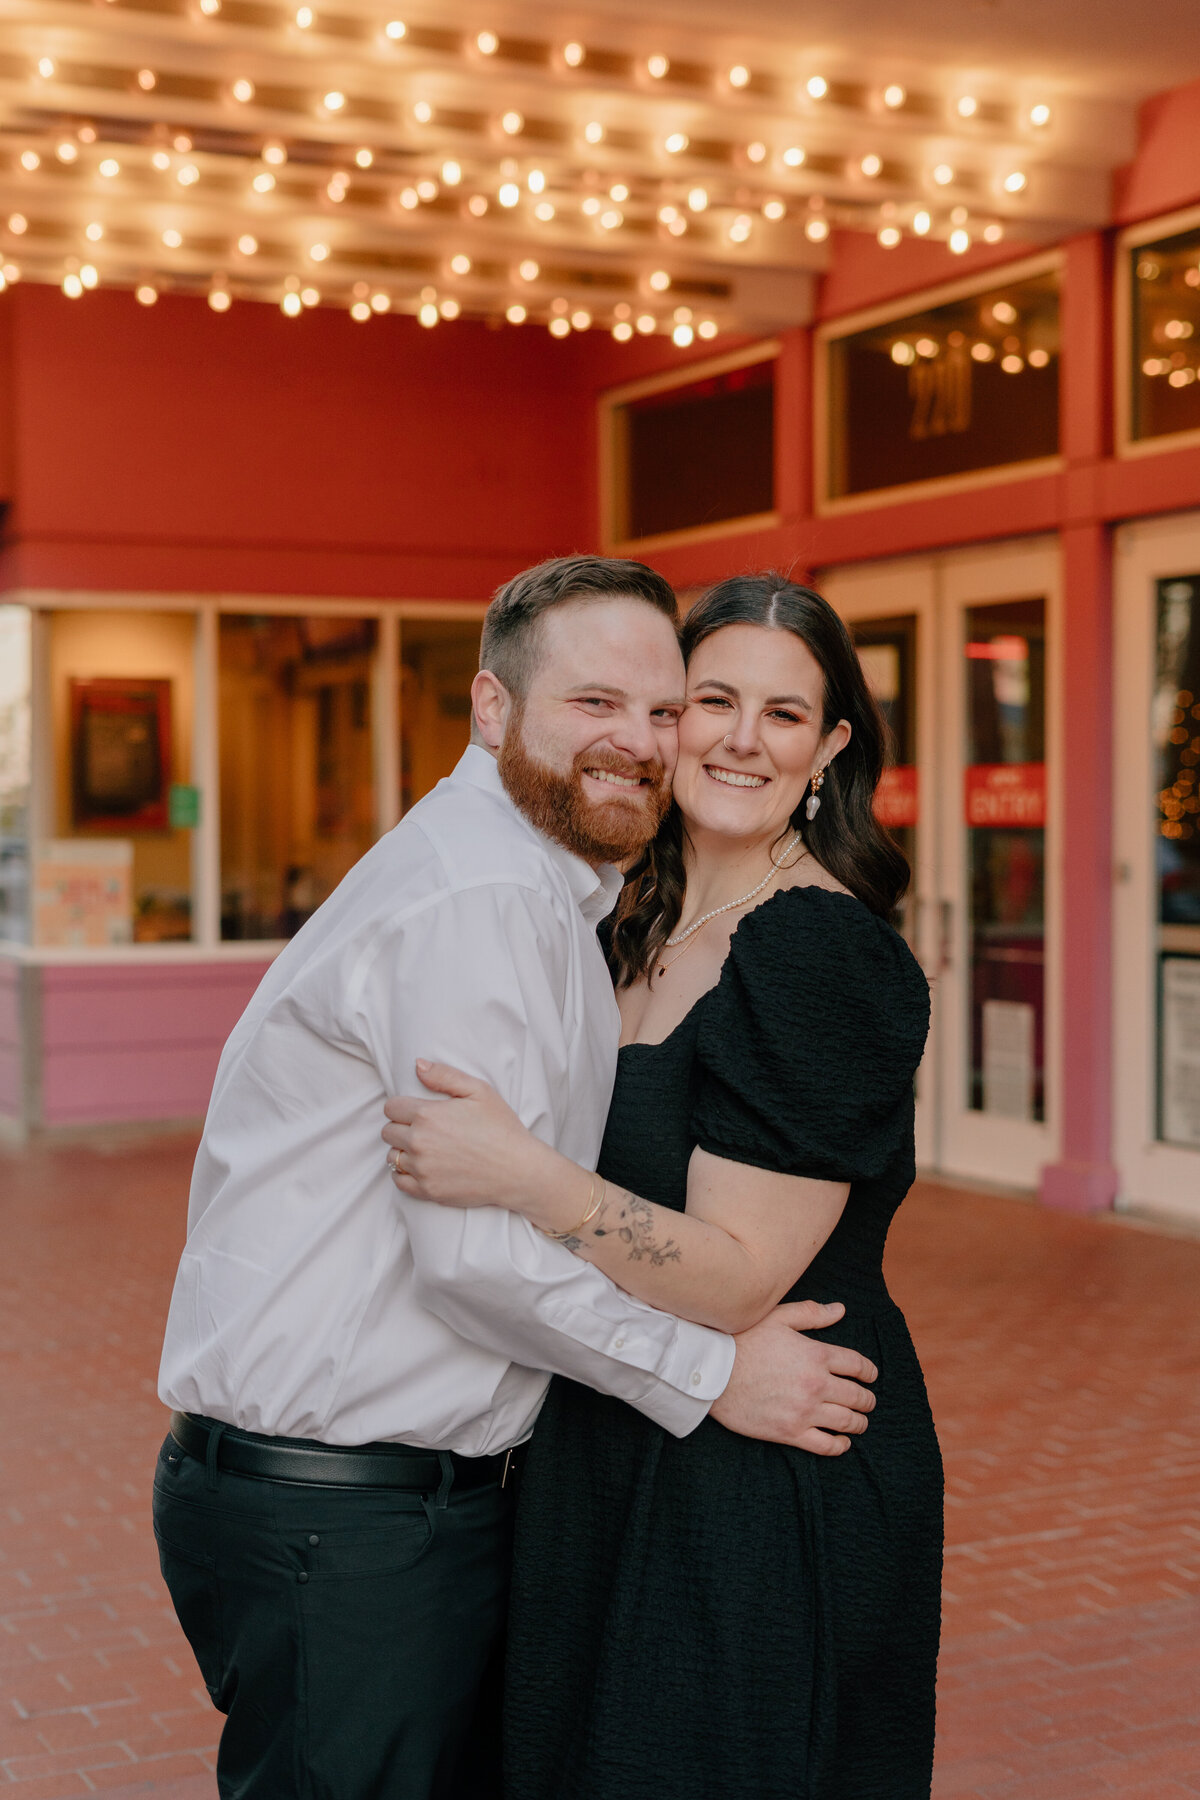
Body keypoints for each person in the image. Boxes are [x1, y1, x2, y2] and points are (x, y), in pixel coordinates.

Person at [153, 556, 879, 1800]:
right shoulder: (485, 900)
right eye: (597, 704)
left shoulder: (563, 900)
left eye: (662, 710)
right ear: (493, 709)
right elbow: (473, 1259)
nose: (642, 743)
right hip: (355, 1524)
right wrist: (714, 1375)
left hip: (352, 1510)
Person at [382, 573, 943, 1800]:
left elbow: (742, 1274)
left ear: (831, 747)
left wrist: (528, 1179)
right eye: (711, 700)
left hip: (764, 1450)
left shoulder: (816, 949)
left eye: (785, 716)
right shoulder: (628, 917)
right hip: (616, 1423)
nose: (742, 739)